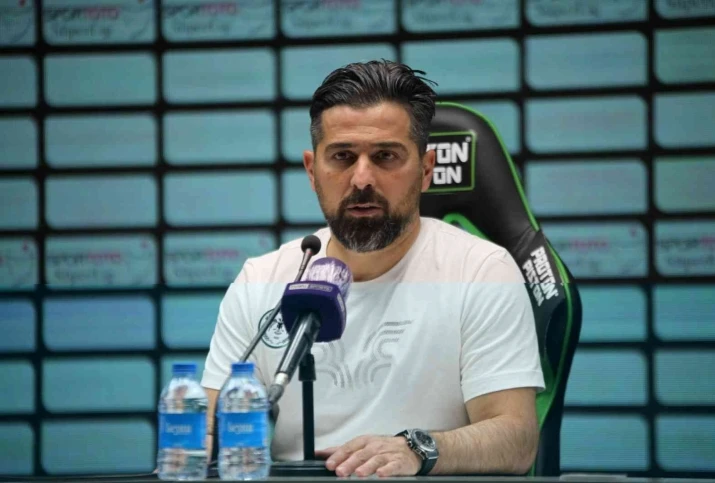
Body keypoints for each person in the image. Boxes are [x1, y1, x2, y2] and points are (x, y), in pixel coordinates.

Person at [201, 59, 544, 478]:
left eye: (385, 156)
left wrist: (417, 449)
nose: (362, 178)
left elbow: (516, 439)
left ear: (426, 170)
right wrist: (203, 440)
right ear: (312, 171)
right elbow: (212, 432)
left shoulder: (481, 271)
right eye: (342, 157)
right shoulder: (261, 280)